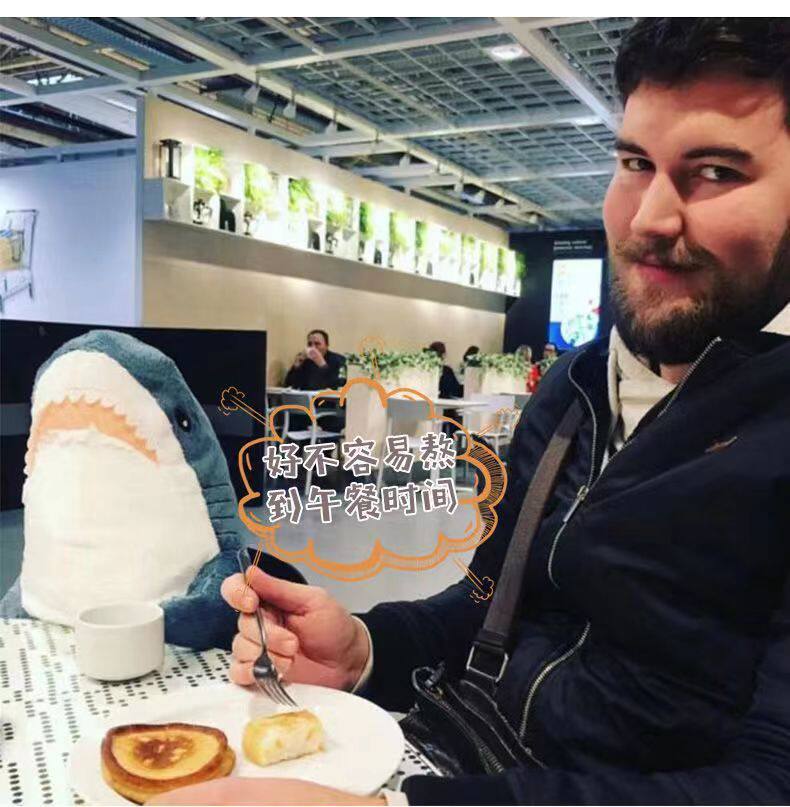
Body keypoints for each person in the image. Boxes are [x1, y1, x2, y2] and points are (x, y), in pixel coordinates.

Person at [152, 18, 790, 806]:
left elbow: (770, 782)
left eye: (717, 172)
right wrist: (363, 648)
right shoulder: (574, 391)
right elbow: (491, 602)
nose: (649, 218)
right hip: (454, 754)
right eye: (635, 163)